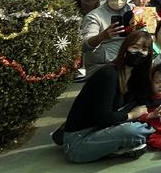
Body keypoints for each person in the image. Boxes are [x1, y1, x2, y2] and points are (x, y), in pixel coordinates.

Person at [58, 30, 154, 163]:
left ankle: (123, 145)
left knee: (147, 123)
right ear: (124, 49)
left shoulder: (136, 76)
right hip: (78, 142)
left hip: (103, 130)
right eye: (135, 47)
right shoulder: (109, 74)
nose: (139, 53)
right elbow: (104, 117)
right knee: (134, 131)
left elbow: (144, 101)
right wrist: (131, 115)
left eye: (144, 50)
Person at [79, 0, 134, 74]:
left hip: (129, 57)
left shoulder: (134, 10)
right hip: (104, 63)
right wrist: (102, 36)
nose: (118, 0)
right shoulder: (94, 16)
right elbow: (84, 45)